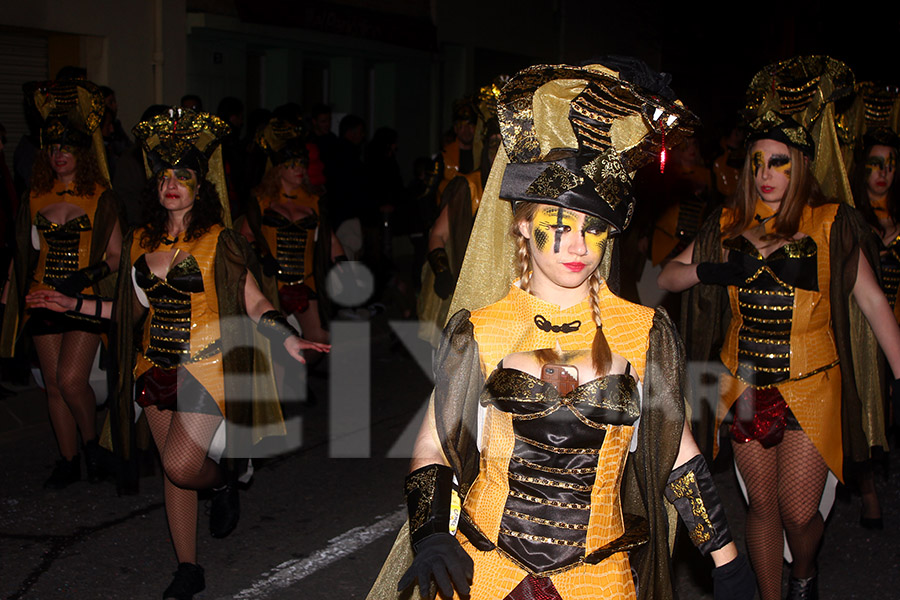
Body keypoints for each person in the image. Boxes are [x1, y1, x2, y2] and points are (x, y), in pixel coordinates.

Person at [369, 62, 754, 600]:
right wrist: (432, 534)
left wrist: (727, 561)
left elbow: (678, 454)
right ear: (523, 224)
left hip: (600, 581)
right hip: (484, 575)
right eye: (561, 224)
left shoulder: (641, 332)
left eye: (594, 228)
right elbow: (435, 444)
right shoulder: (481, 330)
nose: (579, 245)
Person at [28, 107, 329, 600]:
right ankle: (188, 566)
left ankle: (225, 479)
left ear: (200, 185)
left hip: (207, 368)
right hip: (154, 365)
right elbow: (128, 310)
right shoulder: (141, 241)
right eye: (164, 175)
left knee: (184, 465)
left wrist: (285, 335)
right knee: (173, 467)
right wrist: (70, 302)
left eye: (183, 176)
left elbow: (253, 300)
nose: (172, 184)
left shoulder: (219, 240)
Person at [658, 109, 900, 599]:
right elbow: (668, 277)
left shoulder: (831, 222)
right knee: (762, 507)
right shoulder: (729, 223)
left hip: (812, 385)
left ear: (802, 167)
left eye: (780, 163)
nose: (766, 174)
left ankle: (804, 575)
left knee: (798, 512)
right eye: (758, 162)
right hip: (746, 386)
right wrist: (709, 271)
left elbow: (872, 301)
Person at [1, 79, 121, 489]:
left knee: (72, 380)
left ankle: (91, 446)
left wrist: (82, 280)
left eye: (66, 148)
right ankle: (68, 460)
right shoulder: (35, 194)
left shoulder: (100, 196)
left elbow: (116, 257)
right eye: (52, 148)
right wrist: (11, 289)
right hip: (42, 296)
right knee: (52, 385)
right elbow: (24, 250)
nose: (58, 155)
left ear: (81, 152)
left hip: (84, 299)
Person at [242, 117, 345, 363]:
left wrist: (343, 265)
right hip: (272, 284)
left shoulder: (313, 200)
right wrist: (261, 255)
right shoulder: (262, 199)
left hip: (305, 281)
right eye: (292, 164)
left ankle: (294, 373)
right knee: (274, 342)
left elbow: (329, 238)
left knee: (319, 338)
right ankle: (281, 388)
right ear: (278, 167)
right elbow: (246, 234)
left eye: (302, 163)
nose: (300, 169)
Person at [849, 126, 900, 529]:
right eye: (875, 164)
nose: (883, 173)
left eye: (891, 164)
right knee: (866, 407)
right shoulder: (850, 217)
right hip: (862, 333)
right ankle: (868, 493)